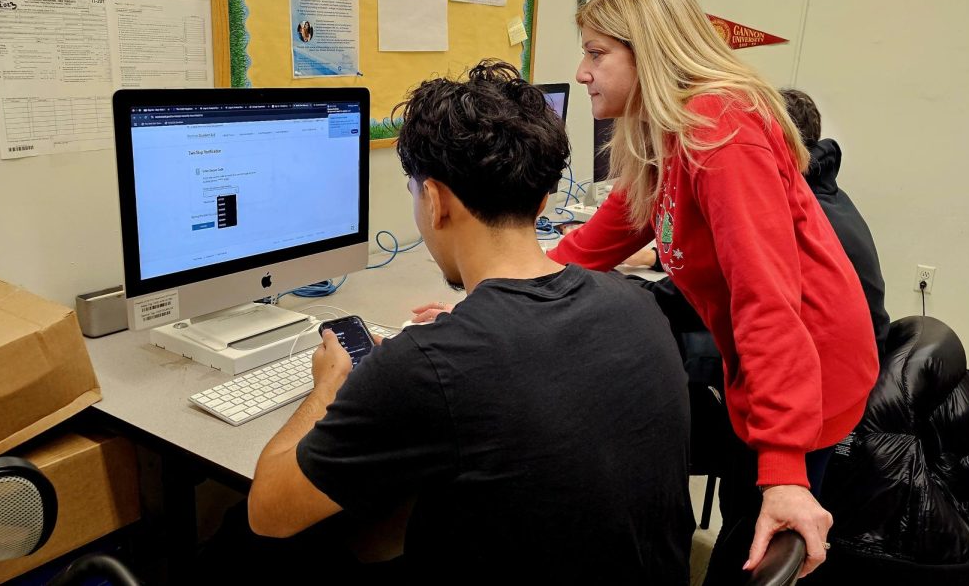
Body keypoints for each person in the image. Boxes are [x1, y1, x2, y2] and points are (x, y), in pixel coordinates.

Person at [245, 60, 695, 584]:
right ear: (544, 196)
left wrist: (326, 387)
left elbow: (269, 511)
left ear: (434, 200)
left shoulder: (427, 365)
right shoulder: (638, 305)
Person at [549, 0, 879, 583]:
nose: (582, 73)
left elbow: (767, 298)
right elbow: (602, 236)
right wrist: (498, 292)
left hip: (809, 369)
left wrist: (783, 468)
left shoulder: (717, 128)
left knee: (751, 546)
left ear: (648, 51)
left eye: (597, 54)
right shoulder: (667, 132)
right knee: (736, 509)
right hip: (757, 371)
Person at [623, 88, 890, 358]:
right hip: (854, 353)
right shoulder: (824, 192)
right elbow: (722, 260)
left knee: (667, 341)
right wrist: (654, 259)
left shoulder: (789, 212)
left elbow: (710, 294)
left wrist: (625, 289)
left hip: (825, 364)